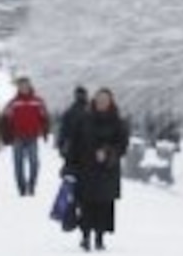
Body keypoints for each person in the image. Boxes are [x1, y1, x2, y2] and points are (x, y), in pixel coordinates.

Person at [65, 87, 129, 252]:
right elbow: (74, 144)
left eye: (105, 100)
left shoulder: (118, 122)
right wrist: (69, 166)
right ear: (94, 101)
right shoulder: (84, 120)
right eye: (99, 99)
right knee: (86, 203)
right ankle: (85, 237)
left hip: (107, 170)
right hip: (85, 168)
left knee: (104, 204)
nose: (102, 103)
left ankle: (100, 237)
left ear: (110, 102)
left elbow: (122, 145)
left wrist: (108, 152)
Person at [2, 76, 49, 196]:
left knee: (34, 163)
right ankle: (22, 188)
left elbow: (44, 117)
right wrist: (6, 136)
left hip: (32, 136)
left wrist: (45, 132)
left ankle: (31, 185)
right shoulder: (13, 102)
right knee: (18, 164)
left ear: (29, 86)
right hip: (17, 137)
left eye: (25, 85)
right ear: (18, 87)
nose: (24, 88)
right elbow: (5, 120)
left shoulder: (38, 101)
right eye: (21, 86)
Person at [58, 86, 89, 160]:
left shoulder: (70, 111)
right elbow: (64, 129)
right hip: (78, 146)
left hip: (75, 146)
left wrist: (61, 145)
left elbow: (63, 130)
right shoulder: (90, 109)